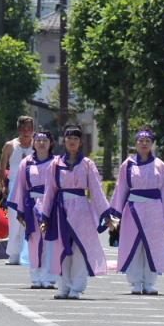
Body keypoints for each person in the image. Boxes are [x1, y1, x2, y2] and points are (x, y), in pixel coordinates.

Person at [108, 127, 164, 295]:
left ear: (152, 144)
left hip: (154, 211)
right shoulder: (127, 165)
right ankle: (135, 282)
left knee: (153, 246)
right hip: (133, 210)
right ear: (135, 143)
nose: (144, 144)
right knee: (134, 247)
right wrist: (115, 215)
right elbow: (121, 189)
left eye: (147, 141)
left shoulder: (160, 165)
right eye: (140, 141)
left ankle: (150, 282)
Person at [39, 125, 111, 299]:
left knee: (79, 250)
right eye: (69, 138)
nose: (72, 141)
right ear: (64, 140)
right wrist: (45, 216)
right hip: (60, 210)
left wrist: (106, 213)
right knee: (61, 249)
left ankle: (76, 288)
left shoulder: (87, 164)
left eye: (76, 139)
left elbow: (96, 190)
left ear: (80, 142)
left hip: (81, 211)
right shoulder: (55, 164)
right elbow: (49, 191)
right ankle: (63, 287)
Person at [10, 129, 57, 288]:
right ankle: (36, 275)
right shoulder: (27, 163)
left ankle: (49, 276)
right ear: (33, 143)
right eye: (38, 140)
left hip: (52, 205)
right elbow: (20, 187)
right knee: (34, 240)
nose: (41, 143)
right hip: (32, 205)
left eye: (45, 140)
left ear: (51, 143)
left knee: (50, 241)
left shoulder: (57, 162)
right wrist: (20, 210)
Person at [0, 115, 36, 265]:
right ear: (19, 129)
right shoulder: (10, 145)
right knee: (15, 220)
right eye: (23, 128)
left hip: (33, 186)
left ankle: (30, 253)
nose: (26, 131)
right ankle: (14, 254)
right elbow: (2, 167)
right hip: (15, 186)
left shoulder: (38, 144)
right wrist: (3, 186)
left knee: (31, 219)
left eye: (29, 128)